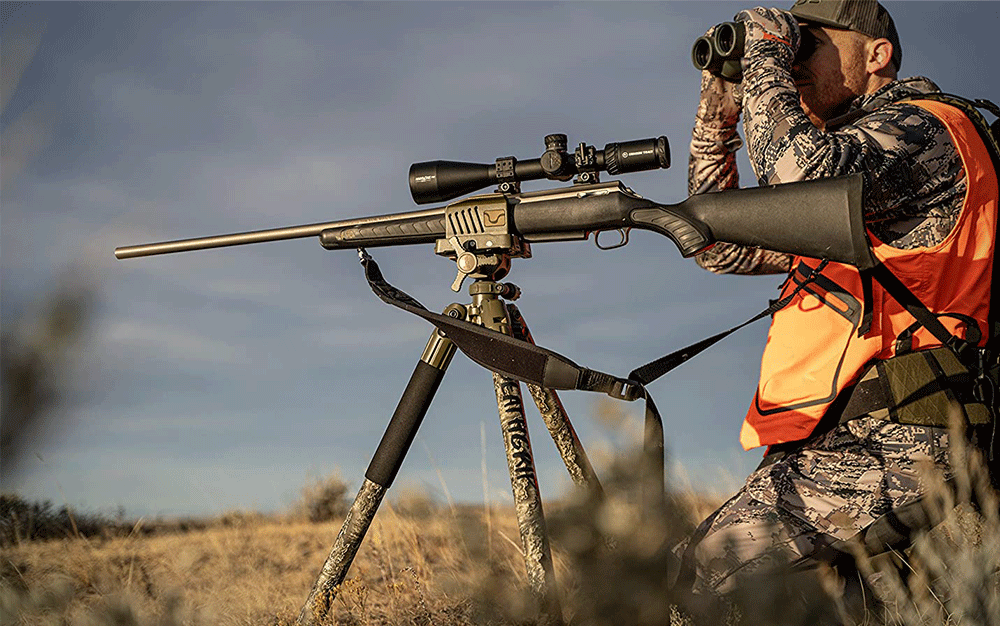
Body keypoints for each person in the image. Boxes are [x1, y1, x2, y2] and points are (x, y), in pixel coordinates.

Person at [676, 0, 997, 615]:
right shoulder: (848, 190)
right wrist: (718, 116)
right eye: (791, 46)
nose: (794, 58)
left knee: (708, 569)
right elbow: (716, 243)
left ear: (877, 56)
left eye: (810, 44)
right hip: (846, 440)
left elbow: (798, 174)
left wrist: (766, 52)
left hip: (907, 435)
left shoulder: (921, 132)